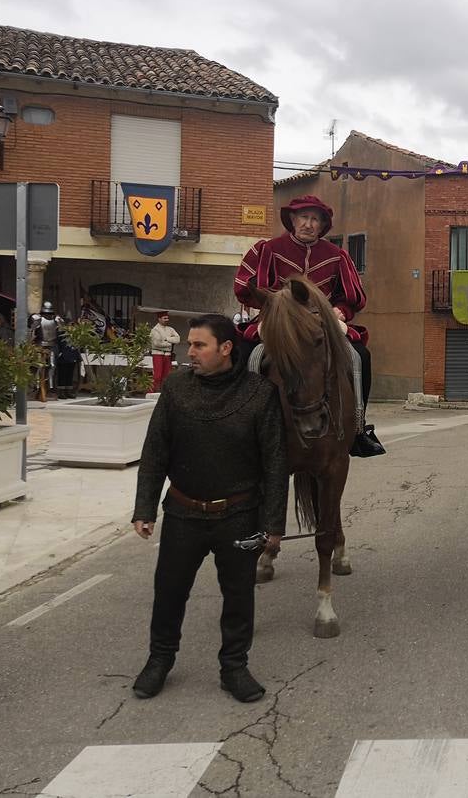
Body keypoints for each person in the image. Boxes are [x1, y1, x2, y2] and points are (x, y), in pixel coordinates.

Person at [131, 314, 288, 703]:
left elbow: (275, 463)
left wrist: (272, 524)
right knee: (169, 592)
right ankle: (159, 660)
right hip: (184, 513)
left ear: (226, 348)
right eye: (189, 344)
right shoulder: (175, 388)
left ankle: (234, 667)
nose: (190, 352)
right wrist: (144, 508)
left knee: (238, 597)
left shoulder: (259, 393)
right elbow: (155, 451)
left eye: (199, 345)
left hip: (238, 516)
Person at [234, 195, 384, 458]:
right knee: (248, 354)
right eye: (303, 217)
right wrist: (270, 305)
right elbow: (245, 288)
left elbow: (353, 298)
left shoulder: (337, 256)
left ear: (322, 225)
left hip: (322, 321)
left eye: (315, 219)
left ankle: (358, 428)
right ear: (292, 219)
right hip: (278, 320)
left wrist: (339, 311)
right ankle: (243, 424)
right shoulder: (268, 249)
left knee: (359, 356)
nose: (308, 224)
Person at [149, 311, 181, 392]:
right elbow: (157, 343)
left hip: (168, 355)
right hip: (158, 354)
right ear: (159, 319)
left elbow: (178, 339)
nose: (167, 320)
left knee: (167, 375)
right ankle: (153, 391)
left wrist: (167, 339)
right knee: (157, 376)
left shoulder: (170, 329)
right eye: (164, 318)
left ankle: (164, 392)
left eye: (167, 318)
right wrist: (170, 343)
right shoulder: (155, 330)